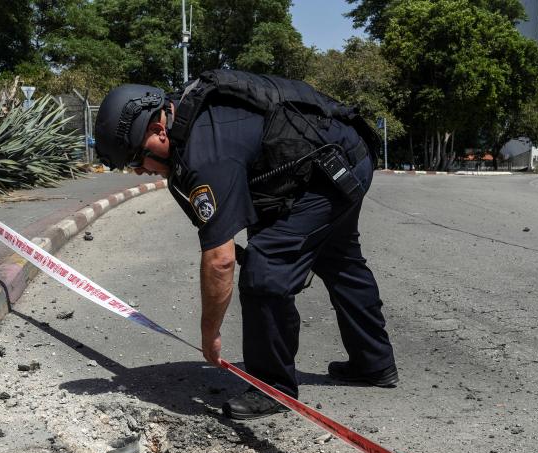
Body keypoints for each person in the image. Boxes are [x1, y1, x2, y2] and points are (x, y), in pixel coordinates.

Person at [94, 71, 397, 420]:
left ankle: (273, 388)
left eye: (136, 159)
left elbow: (221, 260)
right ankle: (374, 363)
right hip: (335, 159)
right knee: (339, 260)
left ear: (158, 131)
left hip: (331, 170)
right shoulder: (192, 124)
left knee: (265, 272)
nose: (138, 171)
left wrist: (210, 335)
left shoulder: (206, 154)